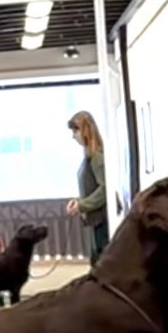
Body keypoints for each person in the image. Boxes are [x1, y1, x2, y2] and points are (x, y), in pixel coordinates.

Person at [66, 110, 109, 264]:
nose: (73, 136)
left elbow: (105, 189)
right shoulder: (89, 155)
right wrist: (79, 201)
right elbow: (92, 187)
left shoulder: (97, 157)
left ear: (85, 130)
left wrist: (82, 205)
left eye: (75, 131)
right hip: (95, 220)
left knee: (100, 264)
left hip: (101, 221)